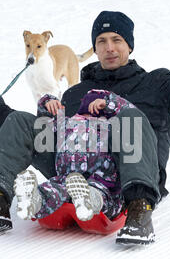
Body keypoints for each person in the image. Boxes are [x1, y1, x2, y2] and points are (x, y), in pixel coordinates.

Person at [0, 0, 170, 245]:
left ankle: (140, 211)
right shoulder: (76, 93)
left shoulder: (157, 84)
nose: (109, 47)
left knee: (129, 118)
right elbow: (50, 133)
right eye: (102, 41)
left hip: (128, 173)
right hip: (76, 167)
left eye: (117, 39)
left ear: (130, 45)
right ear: (94, 48)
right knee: (23, 122)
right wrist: (1, 114)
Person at [13, 89, 134, 223]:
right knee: (53, 189)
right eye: (86, 113)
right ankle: (33, 201)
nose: (90, 116)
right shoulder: (67, 123)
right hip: (67, 179)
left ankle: (88, 201)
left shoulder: (113, 126)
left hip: (102, 181)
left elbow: (132, 113)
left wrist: (110, 103)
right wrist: (47, 103)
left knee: (101, 195)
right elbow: (44, 125)